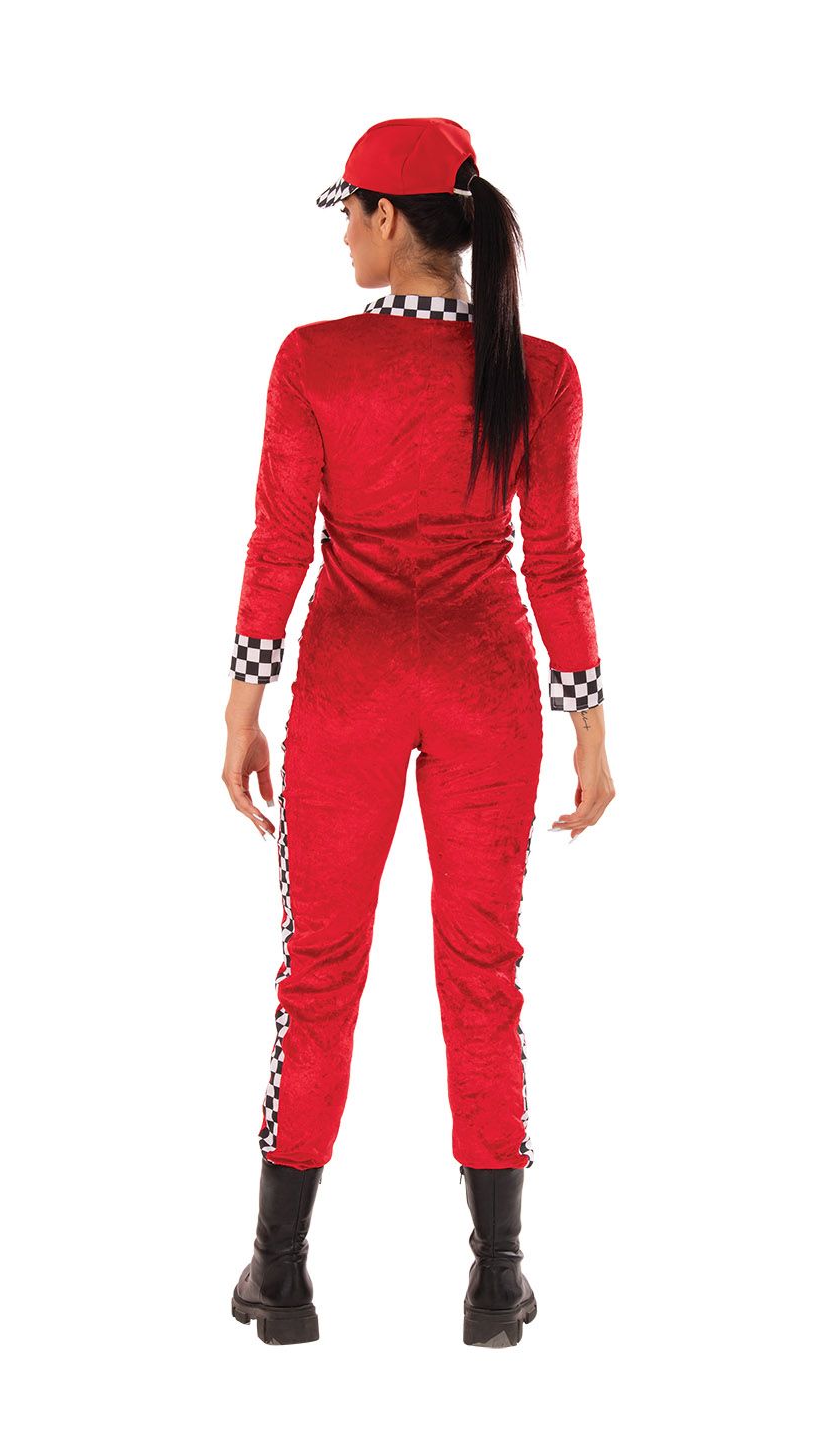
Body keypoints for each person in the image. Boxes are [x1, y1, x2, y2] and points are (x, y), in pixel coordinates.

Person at [222, 116, 616, 1348]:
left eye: (349, 211)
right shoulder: (539, 370)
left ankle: (280, 1274)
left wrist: (243, 703)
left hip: (348, 683)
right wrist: (588, 723)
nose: (343, 234)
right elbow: (553, 558)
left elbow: (279, 544)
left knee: (318, 972)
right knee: (482, 974)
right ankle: (496, 1282)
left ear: (391, 218)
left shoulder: (312, 360)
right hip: (486, 684)